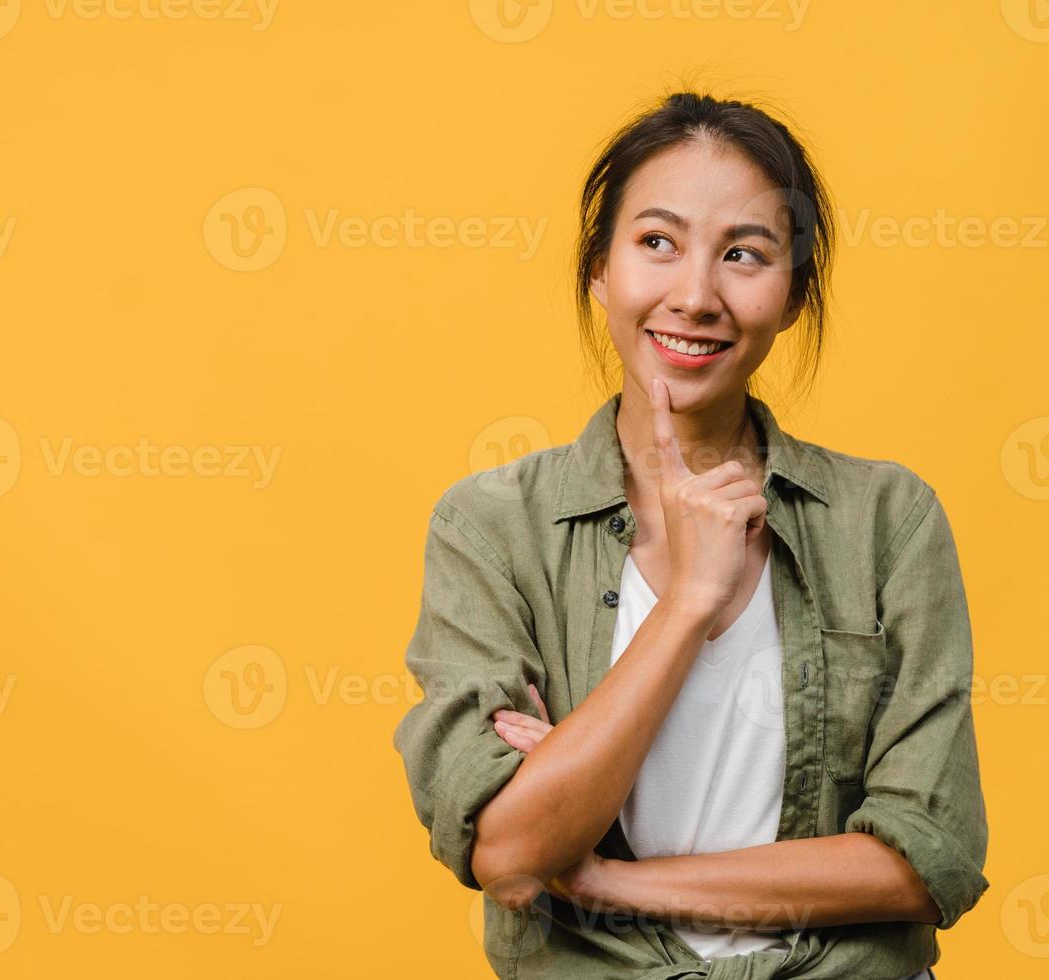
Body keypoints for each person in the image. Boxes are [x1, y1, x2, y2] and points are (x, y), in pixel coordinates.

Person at [391, 91, 988, 979]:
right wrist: (690, 604)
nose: (696, 295)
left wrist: (608, 879)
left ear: (794, 296)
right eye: (657, 243)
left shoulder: (888, 519)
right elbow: (509, 854)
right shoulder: (492, 525)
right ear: (600, 269)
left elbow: (925, 858)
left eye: (744, 254)